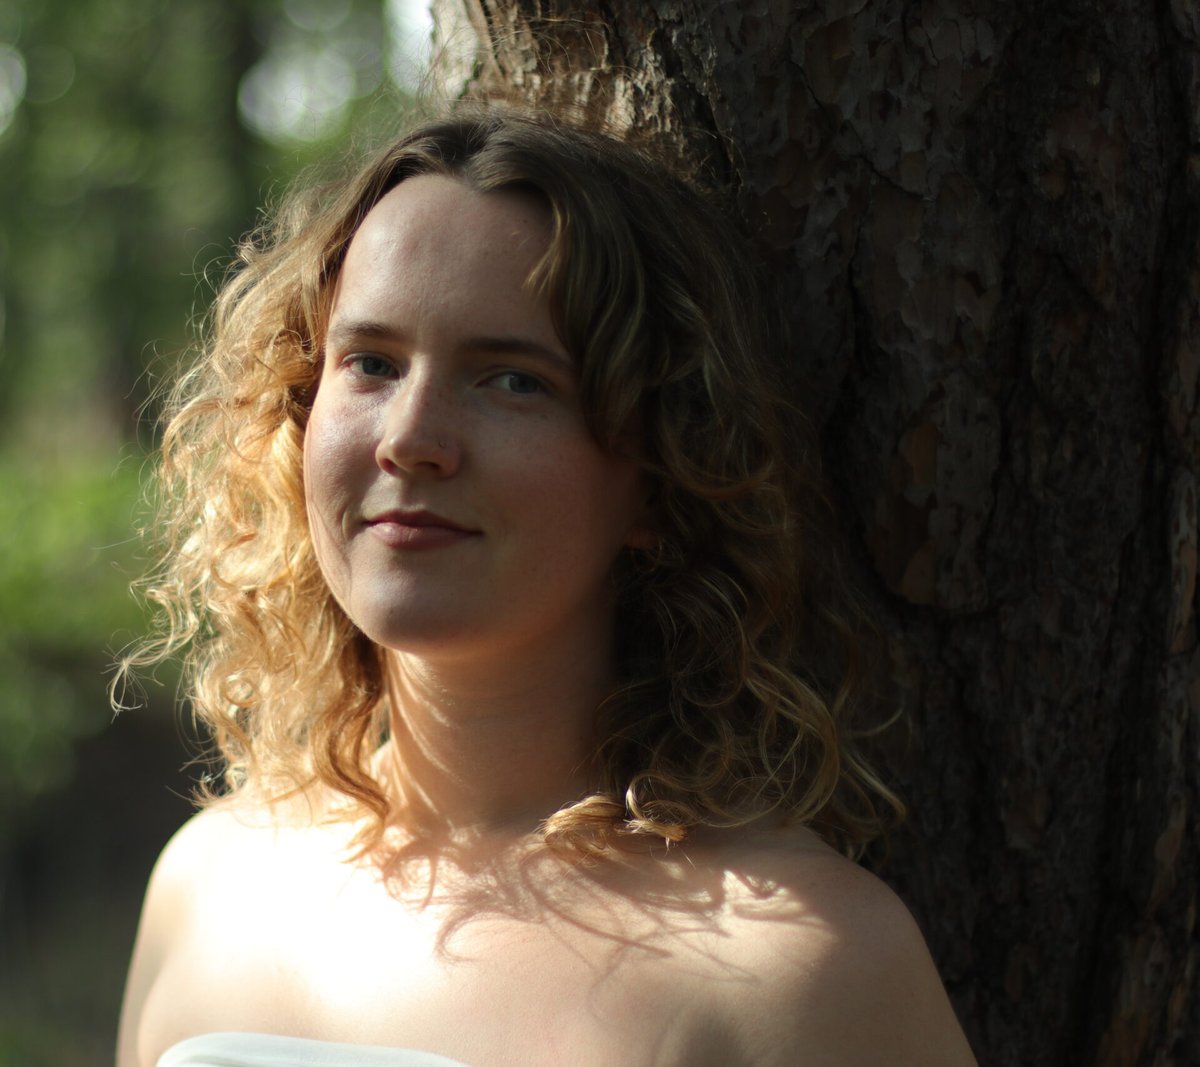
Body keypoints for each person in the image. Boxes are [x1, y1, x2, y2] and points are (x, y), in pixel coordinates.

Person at [115, 108, 978, 1067]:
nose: (411, 437)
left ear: (662, 470)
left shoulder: (799, 968)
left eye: (512, 380)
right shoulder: (208, 883)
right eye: (371, 363)